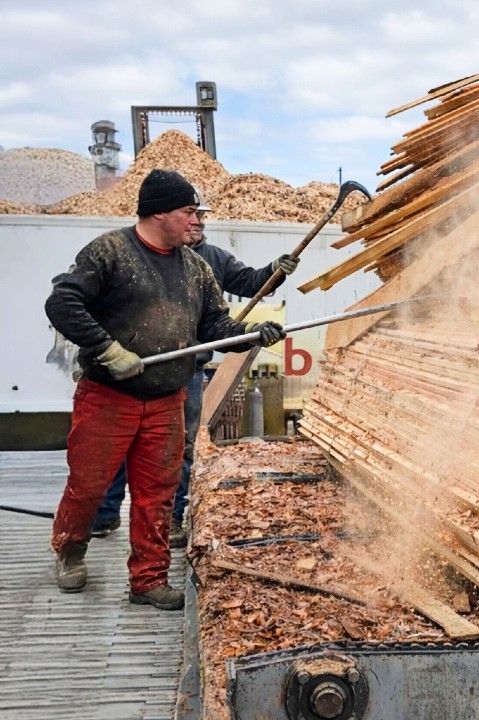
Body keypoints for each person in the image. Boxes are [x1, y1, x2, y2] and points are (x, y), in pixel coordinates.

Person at [45, 168, 287, 610]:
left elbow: (214, 324)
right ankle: (70, 550)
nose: (195, 220)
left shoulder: (195, 268)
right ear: (160, 213)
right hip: (108, 397)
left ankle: (148, 579)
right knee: (89, 484)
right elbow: (62, 302)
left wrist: (249, 333)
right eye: (188, 211)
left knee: (158, 490)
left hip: (165, 398)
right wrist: (106, 347)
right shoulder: (109, 253)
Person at [90, 202, 299, 547]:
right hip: (132, 369)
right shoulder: (134, 255)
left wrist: (276, 270)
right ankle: (105, 513)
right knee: (121, 443)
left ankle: (170, 519)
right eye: (191, 215)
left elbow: (247, 282)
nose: (197, 222)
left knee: (179, 449)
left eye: (201, 216)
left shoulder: (211, 261)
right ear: (167, 218)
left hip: (184, 372)